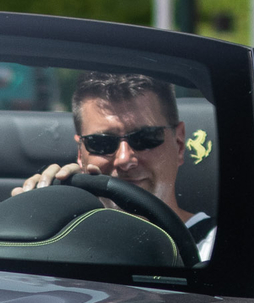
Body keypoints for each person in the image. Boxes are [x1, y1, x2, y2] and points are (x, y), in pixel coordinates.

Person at [15, 71, 215, 261]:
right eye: (101, 143)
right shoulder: (61, 238)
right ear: (80, 153)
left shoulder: (216, 246)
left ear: (179, 144)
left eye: (145, 138)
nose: (124, 159)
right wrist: (36, 219)